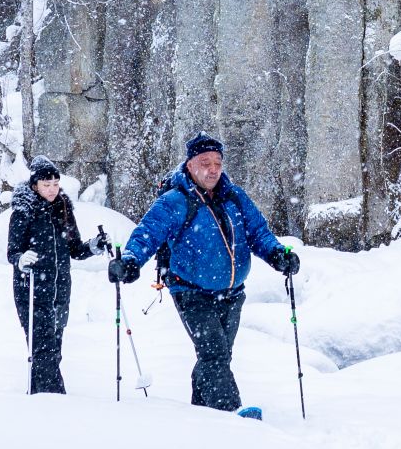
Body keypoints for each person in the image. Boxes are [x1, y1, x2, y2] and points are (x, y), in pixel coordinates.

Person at [109, 133, 298, 412]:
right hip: (192, 292)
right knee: (214, 354)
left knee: (218, 357)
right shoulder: (174, 201)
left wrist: (277, 255)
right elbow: (147, 234)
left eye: (218, 163)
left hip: (232, 293)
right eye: (205, 162)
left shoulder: (235, 197)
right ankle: (230, 413)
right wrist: (130, 261)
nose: (213, 169)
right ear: (190, 164)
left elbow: (258, 232)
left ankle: (201, 416)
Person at [7, 157, 94, 395]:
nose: (52, 189)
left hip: (60, 288)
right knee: (43, 347)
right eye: (47, 184)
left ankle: (39, 396)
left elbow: (75, 249)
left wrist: (93, 247)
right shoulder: (24, 211)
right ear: (35, 185)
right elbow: (12, 251)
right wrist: (21, 260)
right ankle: (54, 398)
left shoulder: (63, 209)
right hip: (32, 289)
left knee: (54, 347)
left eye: (56, 184)